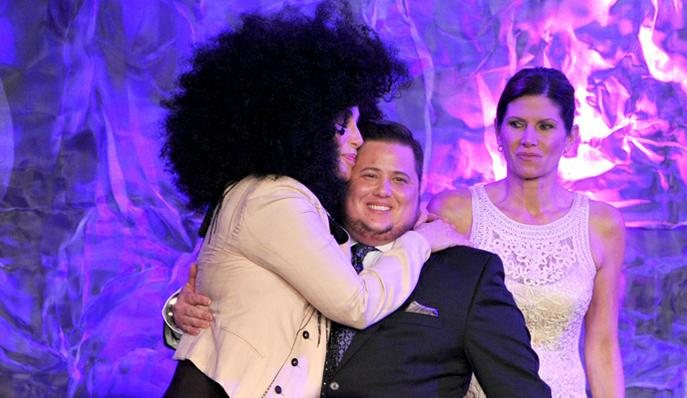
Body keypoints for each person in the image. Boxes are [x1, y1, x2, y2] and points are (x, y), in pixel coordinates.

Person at [160, 2, 462, 397]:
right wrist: (420, 242)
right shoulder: (274, 198)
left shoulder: (288, 201)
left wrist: (177, 312)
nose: (357, 138)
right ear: (300, 124)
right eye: (343, 125)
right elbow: (356, 304)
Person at [165, 120, 552, 397]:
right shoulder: (301, 250)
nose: (383, 191)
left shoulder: (467, 275)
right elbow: (242, 321)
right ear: (343, 181)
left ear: (421, 192)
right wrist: (178, 314)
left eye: (401, 180)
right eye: (368, 175)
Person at [428, 67, 626, 397]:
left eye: (545, 126)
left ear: (571, 137)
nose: (529, 140)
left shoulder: (602, 225)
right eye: (517, 124)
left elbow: (602, 343)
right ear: (498, 131)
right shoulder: (456, 212)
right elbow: (428, 333)